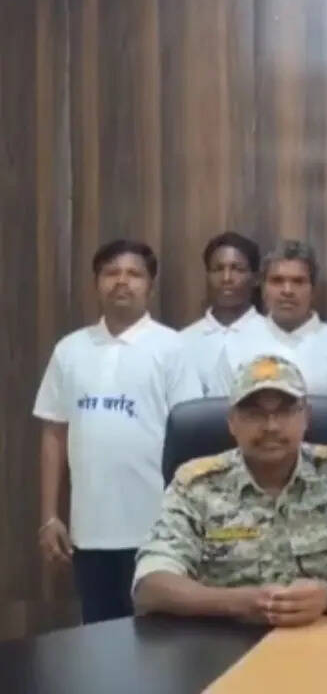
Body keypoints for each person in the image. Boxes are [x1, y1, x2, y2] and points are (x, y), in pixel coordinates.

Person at [132, 355, 327, 624]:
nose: (271, 426)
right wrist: (236, 603)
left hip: (321, 636)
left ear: (306, 417)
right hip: (225, 641)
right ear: (232, 422)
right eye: (254, 414)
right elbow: (150, 583)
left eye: (285, 412)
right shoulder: (196, 485)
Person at [34, 240, 202, 623]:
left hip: (159, 530)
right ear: (97, 283)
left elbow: (189, 438)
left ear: (150, 286)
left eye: (134, 274)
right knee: (100, 636)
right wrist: (49, 516)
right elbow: (53, 433)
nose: (122, 281)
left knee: (159, 639)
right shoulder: (70, 350)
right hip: (89, 531)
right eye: (111, 273)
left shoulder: (172, 348)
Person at [214, 240, 327, 397]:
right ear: (263, 289)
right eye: (277, 281)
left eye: (298, 281)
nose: (287, 291)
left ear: (313, 290)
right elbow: (219, 409)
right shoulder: (236, 346)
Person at [180, 232, 263, 395]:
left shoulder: (273, 338)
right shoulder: (182, 343)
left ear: (255, 278)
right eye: (218, 269)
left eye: (237, 269)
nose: (226, 278)